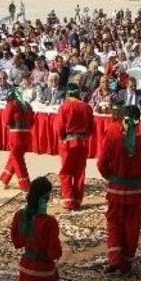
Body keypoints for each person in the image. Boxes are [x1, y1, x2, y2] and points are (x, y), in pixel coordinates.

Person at [9, 177, 72, 281]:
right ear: (47, 197)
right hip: (41, 273)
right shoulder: (48, 221)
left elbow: (17, 242)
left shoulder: (20, 215)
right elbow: (55, 253)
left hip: (25, 269)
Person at [96, 106, 141, 275]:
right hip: (135, 192)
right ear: (140, 121)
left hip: (116, 191)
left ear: (122, 122)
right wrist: (139, 179)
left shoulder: (112, 140)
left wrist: (113, 178)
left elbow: (101, 165)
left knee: (114, 223)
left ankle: (114, 258)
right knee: (132, 226)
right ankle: (126, 263)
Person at [55, 83, 94, 211]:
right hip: (83, 143)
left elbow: (60, 127)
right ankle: (77, 200)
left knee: (66, 171)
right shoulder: (87, 107)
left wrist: (62, 139)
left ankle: (68, 200)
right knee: (79, 172)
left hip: (69, 142)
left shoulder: (65, 106)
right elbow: (91, 128)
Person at [0, 89, 36, 192]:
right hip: (27, 135)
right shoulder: (27, 106)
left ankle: (25, 185)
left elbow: (7, 120)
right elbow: (33, 122)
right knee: (15, 157)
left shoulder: (12, 104)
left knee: (18, 161)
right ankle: (4, 179)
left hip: (16, 135)